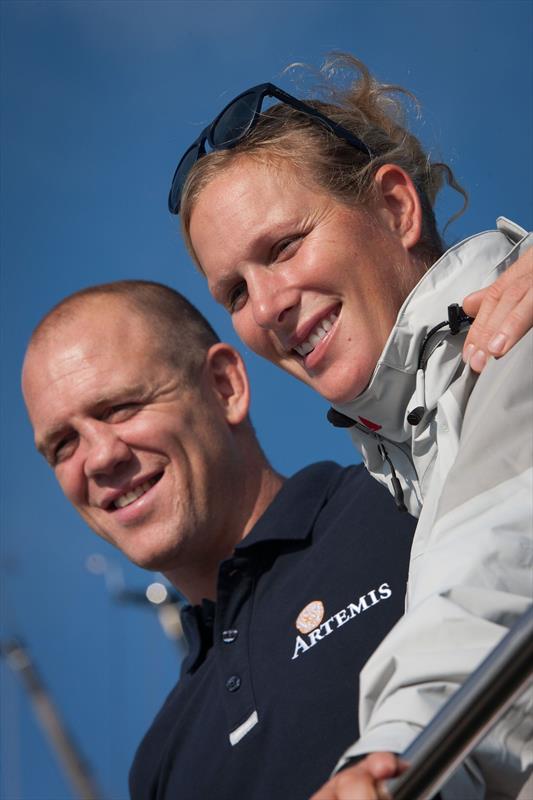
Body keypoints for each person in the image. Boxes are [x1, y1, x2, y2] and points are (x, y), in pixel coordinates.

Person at [170, 55, 533, 798]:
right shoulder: (408, 471)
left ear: (396, 208)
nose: (266, 305)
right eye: (234, 290)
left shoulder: (512, 338)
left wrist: (394, 759)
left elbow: (495, 570)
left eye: (284, 247)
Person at [21, 280, 419, 800]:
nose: (98, 458)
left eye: (119, 408)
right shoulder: (161, 767)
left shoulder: (405, 504)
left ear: (225, 385)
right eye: (63, 445)